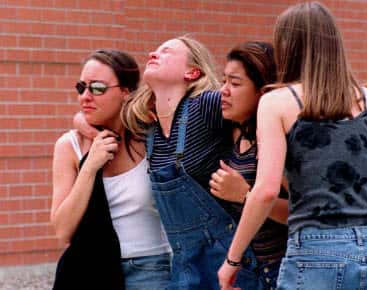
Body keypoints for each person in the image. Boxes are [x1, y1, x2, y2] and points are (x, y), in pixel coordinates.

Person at [218, 2, 367, 290]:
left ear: (286, 46)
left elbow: (265, 191)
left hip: (314, 252)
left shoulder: (277, 102)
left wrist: (232, 260)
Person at [75, 36, 263, 289]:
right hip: (185, 265)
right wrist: (83, 124)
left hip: (227, 260)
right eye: (156, 49)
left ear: (192, 72)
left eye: (167, 51)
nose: (154, 52)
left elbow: (258, 102)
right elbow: (96, 113)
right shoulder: (146, 123)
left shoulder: (205, 106)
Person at [51, 49, 171, 290]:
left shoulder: (152, 140)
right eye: (81, 87)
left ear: (126, 92)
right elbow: (63, 230)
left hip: (151, 270)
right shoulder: (70, 146)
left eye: (97, 88)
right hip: (89, 270)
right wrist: (90, 166)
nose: (85, 96)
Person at [209, 41, 288, 290]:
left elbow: (304, 214)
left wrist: (244, 195)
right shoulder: (234, 130)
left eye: (235, 83)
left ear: (262, 91)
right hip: (246, 271)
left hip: (279, 271)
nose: (224, 90)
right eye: (224, 81)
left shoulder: (276, 141)